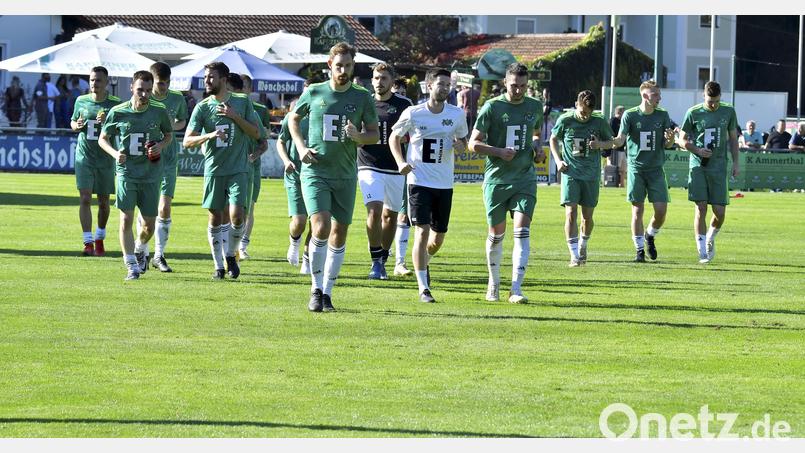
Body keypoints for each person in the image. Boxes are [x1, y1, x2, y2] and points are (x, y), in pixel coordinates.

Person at [288, 42, 379, 312]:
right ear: (330, 65)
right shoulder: (314, 92)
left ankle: (327, 292)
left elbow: (373, 134)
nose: (343, 70)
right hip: (315, 171)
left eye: (348, 66)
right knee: (321, 227)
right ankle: (315, 290)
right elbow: (293, 119)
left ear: (353, 66)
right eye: (338, 65)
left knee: (340, 233)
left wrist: (359, 137)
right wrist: (302, 147)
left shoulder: (362, 97)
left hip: (346, 174)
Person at [389, 68, 468, 303]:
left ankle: (423, 261)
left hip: (444, 183)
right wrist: (401, 161)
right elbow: (394, 137)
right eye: (440, 84)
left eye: (447, 84)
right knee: (421, 232)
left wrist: (461, 146)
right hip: (418, 181)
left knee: (438, 238)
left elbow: (463, 141)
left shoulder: (457, 114)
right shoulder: (414, 113)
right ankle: (423, 288)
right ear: (429, 85)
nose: (444, 88)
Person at [469, 62, 543, 304]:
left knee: (522, 231)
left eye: (522, 86)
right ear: (505, 83)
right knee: (497, 235)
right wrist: (499, 151)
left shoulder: (534, 106)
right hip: (497, 180)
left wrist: (536, 147)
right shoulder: (492, 107)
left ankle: (516, 288)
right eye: (514, 86)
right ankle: (493, 282)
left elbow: (535, 133)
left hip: (525, 178)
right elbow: (473, 143)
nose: (518, 91)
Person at [183, 62, 262, 280]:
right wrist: (208, 136)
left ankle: (230, 255)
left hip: (238, 169)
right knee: (215, 217)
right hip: (214, 170)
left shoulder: (242, 102)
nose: (207, 81)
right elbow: (187, 141)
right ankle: (218, 265)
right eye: (206, 77)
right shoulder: (202, 107)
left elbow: (256, 133)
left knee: (238, 216)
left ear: (224, 80)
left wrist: (235, 116)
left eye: (211, 77)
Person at [97, 70, 174, 280]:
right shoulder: (118, 112)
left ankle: (140, 248)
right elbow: (102, 139)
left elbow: (168, 135)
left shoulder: (159, 111)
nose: (144, 94)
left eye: (148, 90)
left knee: (149, 225)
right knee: (125, 220)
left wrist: (160, 145)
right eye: (140, 89)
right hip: (126, 173)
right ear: (132, 87)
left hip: (151, 174)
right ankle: (131, 265)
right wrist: (115, 153)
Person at [132, 62, 189, 273]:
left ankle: (159, 255)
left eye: (166, 83)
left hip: (169, 158)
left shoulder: (177, 98)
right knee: (147, 210)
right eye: (159, 83)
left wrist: (171, 126)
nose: (163, 88)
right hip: (146, 160)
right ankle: (142, 251)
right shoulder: (144, 97)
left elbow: (182, 121)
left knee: (164, 208)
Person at [358, 62, 413, 280]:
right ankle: (375, 261)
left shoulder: (404, 104)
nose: (379, 82)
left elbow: (416, 131)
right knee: (374, 210)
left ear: (392, 81)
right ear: (371, 80)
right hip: (368, 165)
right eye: (375, 78)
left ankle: (382, 260)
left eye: (383, 78)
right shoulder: (365, 102)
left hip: (395, 169)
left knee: (390, 217)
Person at [610, 80, 676, 262]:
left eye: (659, 94)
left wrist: (670, 139)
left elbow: (667, 144)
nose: (659, 98)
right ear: (645, 96)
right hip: (636, 169)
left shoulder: (663, 115)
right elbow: (620, 140)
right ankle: (639, 251)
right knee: (637, 211)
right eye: (656, 95)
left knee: (661, 211)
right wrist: (607, 142)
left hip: (656, 169)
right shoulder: (630, 116)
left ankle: (650, 235)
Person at [549, 90, 616, 267]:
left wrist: (600, 145)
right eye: (583, 111)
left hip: (591, 175)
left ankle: (583, 244)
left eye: (589, 112)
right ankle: (573, 255)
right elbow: (553, 139)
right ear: (577, 104)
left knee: (587, 217)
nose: (586, 116)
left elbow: (613, 142)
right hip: (571, 173)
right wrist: (558, 160)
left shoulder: (599, 121)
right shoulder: (566, 120)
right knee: (571, 213)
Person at [677, 81, 739, 264]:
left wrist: (736, 163)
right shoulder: (693, 112)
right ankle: (701, 250)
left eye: (717, 101)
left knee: (719, 212)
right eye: (711, 101)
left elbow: (734, 139)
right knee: (701, 207)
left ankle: (710, 237)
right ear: (703, 96)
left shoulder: (728, 111)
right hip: (698, 166)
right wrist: (697, 150)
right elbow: (681, 140)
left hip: (719, 167)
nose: (714, 105)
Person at [70, 66, 121, 257]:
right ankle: (87, 242)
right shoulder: (81, 101)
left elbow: (122, 129)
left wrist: (108, 121)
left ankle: (100, 236)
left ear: (106, 82)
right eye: (92, 80)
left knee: (103, 202)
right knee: (84, 198)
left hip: (105, 159)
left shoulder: (115, 104)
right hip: (84, 157)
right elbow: (73, 121)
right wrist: (77, 126)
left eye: (98, 80)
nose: (94, 83)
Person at [277, 84, 312, 274]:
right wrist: (286, 160)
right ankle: (294, 242)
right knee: (299, 221)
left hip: (316, 175)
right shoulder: (291, 117)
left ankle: (307, 261)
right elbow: (280, 142)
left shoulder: (320, 116)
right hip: (295, 175)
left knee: (317, 222)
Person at [236, 74, 270, 260]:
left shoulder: (259, 111)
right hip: (232, 167)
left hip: (252, 168)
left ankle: (243, 245)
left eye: (244, 87)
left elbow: (263, 137)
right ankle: (230, 244)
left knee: (249, 207)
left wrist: (253, 156)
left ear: (249, 89)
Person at [608, 105, 626, 187]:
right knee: (614, 169)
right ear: (619, 112)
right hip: (615, 150)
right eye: (623, 112)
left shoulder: (623, 122)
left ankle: (622, 185)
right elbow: (610, 134)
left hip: (622, 149)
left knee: (623, 169)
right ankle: (612, 184)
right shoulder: (613, 121)